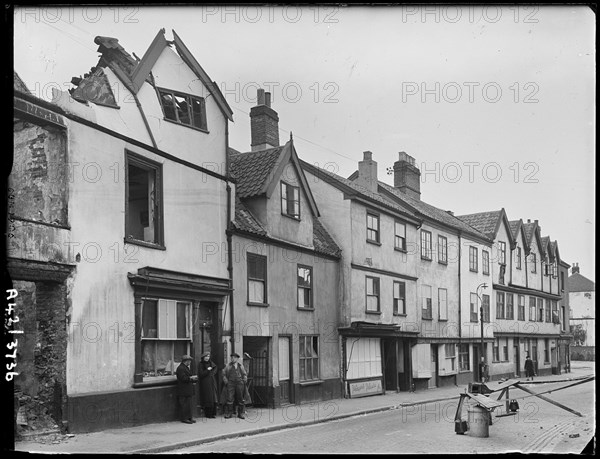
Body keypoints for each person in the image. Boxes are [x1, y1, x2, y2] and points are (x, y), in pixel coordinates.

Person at [222, 352, 247, 419]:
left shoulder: (240, 365)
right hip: (231, 383)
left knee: (240, 398)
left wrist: (244, 380)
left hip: (239, 383)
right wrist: (226, 381)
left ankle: (240, 413)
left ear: (237, 359)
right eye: (232, 357)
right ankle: (229, 413)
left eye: (234, 358)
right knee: (230, 398)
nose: (233, 359)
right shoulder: (228, 366)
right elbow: (223, 374)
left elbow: (244, 374)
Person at [176, 355, 197, 424]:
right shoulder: (180, 368)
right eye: (189, 361)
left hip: (187, 389)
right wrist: (191, 378)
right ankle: (184, 418)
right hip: (183, 389)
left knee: (188, 404)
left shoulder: (185, 367)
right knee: (184, 404)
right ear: (186, 361)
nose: (190, 362)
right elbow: (183, 378)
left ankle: (189, 417)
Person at [197, 351, 218, 419]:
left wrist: (212, 373)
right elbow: (201, 374)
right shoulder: (201, 364)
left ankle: (213, 413)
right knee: (208, 398)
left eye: (208, 356)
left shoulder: (210, 363)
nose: (207, 358)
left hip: (211, 382)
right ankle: (208, 414)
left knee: (213, 397)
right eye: (206, 356)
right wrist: (208, 370)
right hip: (205, 383)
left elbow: (215, 367)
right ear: (203, 357)